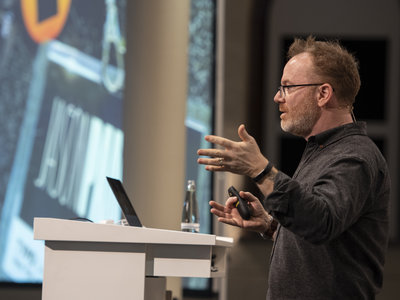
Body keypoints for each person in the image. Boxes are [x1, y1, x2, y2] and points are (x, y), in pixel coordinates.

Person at [197, 36, 390, 299]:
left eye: (288, 87)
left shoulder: (355, 157)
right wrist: (270, 225)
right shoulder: (322, 150)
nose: (278, 97)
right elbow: (319, 240)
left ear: (323, 94)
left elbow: (321, 223)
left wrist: (260, 170)